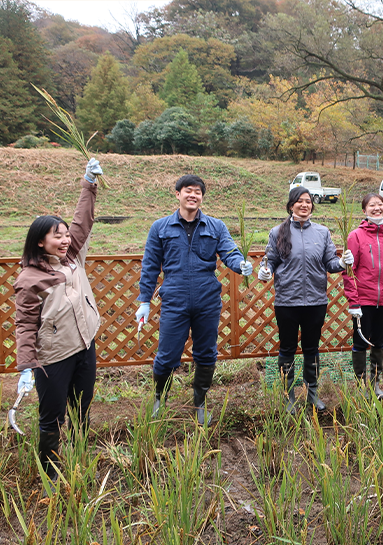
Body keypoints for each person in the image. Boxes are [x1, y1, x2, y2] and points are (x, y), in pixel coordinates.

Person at [13, 158, 103, 482]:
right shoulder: (29, 278)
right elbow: (23, 323)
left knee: (82, 410)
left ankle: (78, 462)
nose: (65, 240)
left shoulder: (73, 257)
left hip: (85, 345)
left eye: (66, 235)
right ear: (40, 241)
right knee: (52, 416)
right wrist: (26, 366)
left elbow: (83, 220)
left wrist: (88, 184)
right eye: (57, 236)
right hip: (52, 358)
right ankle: (50, 475)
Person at [135, 175, 252, 424]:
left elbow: (230, 251)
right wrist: (144, 299)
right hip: (174, 297)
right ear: (177, 194)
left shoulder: (215, 226)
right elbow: (150, 266)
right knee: (166, 354)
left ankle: (200, 403)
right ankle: (159, 398)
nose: (193, 195)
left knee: (207, 353)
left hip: (207, 298)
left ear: (202, 197)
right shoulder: (161, 227)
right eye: (188, 191)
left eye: (198, 192)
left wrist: (241, 264)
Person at [257, 186, 354, 412]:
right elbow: (270, 260)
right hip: (287, 301)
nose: (304, 205)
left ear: (312, 205)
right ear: (291, 205)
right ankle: (288, 395)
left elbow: (330, 263)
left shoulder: (322, 232)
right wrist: (266, 270)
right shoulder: (278, 231)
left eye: (308, 201)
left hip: (316, 301)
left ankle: (312, 393)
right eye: (299, 201)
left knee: (311, 348)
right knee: (287, 348)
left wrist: (341, 263)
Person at [343, 193, 383, 398]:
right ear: (365, 210)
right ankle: (362, 385)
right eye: (372, 205)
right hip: (364, 300)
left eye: (380, 204)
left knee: (380, 341)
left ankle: (374, 384)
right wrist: (353, 302)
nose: (377, 208)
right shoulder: (356, 236)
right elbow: (349, 271)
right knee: (361, 341)